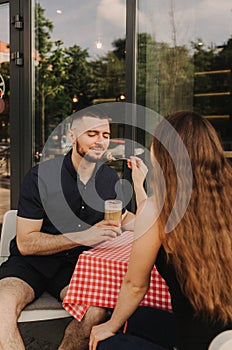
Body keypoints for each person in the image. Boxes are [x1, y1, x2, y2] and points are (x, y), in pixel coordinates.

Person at [0, 109, 147, 350]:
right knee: (1, 306)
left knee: (95, 313)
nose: (100, 141)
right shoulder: (41, 177)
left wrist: (139, 184)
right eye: (92, 134)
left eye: (105, 135)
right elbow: (26, 244)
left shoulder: (109, 178)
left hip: (78, 267)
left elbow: (129, 220)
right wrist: (82, 237)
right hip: (31, 263)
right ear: (72, 135)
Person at [89, 110, 232, 350]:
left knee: (109, 341)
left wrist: (110, 326)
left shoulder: (161, 208)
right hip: (224, 333)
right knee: (138, 318)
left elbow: (135, 285)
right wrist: (138, 183)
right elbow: (144, 220)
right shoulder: (223, 198)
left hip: (200, 342)